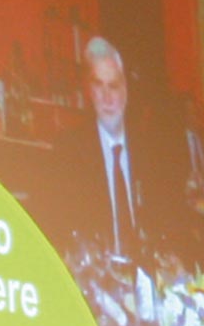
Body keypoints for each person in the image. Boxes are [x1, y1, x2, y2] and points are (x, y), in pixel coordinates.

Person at [52, 36, 172, 259]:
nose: (107, 98)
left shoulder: (150, 151)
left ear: (125, 91)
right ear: (89, 91)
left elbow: (166, 222)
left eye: (113, 87)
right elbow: (63, 229)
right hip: (98, 272)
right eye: (99, 86)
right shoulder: (70, 151)